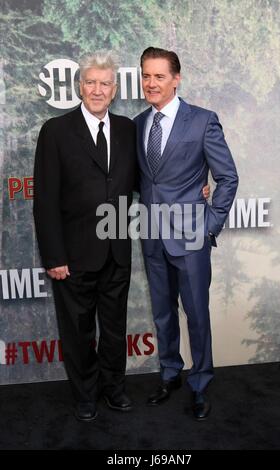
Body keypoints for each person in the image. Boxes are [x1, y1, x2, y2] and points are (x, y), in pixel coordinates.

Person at [134, 47, 239, 421]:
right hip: (152, 237)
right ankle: (169, 374)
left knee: (196, 314)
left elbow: (227, 177)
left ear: (176, 79)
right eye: (146, 75)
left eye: (159, 76)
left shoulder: (203, 121)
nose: (151, 83)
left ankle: (200, 384)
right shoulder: (138, 123)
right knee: (162, 314)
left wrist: (210, 224)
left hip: (192, 238)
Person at [33, 52, 136, 421]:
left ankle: (114, 389)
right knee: (78, 333)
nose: (97, 89)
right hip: (73, 256)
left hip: (117, 250)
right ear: (80, 86)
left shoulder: (127, 129)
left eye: (104, 83)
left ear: (114, 89)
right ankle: (85, 395)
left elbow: (146, 182)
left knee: (114, 329)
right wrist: (54, 256)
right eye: (90, 82)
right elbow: (44, 200)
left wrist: (194, 190)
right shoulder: (56, 131)